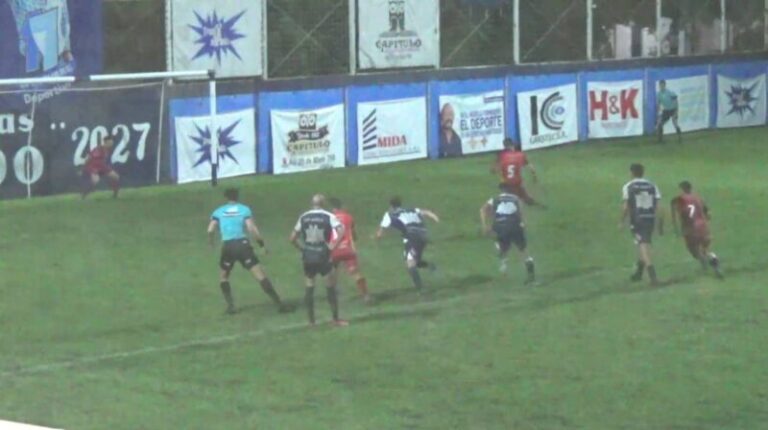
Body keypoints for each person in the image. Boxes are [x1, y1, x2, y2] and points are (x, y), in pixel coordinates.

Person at [207, 188, 292, 315]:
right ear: (237, 196)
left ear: (226, 197)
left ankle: (230, 307)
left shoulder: (219, 211)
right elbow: (252, 229)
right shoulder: (244, 209)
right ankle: (279, 304)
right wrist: (261, 245)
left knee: (224, 277)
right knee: (260, 275)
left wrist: (211, 243)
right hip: (242, 245)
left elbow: (210, 229)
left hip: (228, 246)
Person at [290, 194, 348, 327]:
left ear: (312, 203)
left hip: (308, 254)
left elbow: (292, 238)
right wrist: (333, 245)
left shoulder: (304, 217)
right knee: (330, 286)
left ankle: (311, 321)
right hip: (323, 253)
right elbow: (341, 231)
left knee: (309, 287)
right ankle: (335, 319)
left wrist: (303, 250)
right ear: (323, 203)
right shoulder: (328, 216)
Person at [375, 197, 440, 292]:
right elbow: (426, 212)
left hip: (413, 237)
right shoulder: (410, 209)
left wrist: (376, 238)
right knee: (414, 261)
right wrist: (435, 218)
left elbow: (380, 232)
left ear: (391, 206)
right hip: (423, 235)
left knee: (410, 263)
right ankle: (430, 266)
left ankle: (420, 288)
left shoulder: (389, 214)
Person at [480, 183, 536, 284]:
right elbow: (521, 213)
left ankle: (503, 262)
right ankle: (531, 276)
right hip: (515, 225)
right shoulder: (516, 198)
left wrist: (485, 225)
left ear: (501, 190)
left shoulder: (495, 199)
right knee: (523, 251)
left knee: (500, 242)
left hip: (501, 226)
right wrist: (523, 224)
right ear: (511, 190)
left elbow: (483, 210)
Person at [620, 163, 662, 286]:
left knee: (643, 246)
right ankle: (639, 272)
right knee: (644, 243)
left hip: (638, 220)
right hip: (650, 218)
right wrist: (660, 222)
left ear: (632, 172)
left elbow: (626, 206)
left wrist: (621, 221)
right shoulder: (652, 185)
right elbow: (659, 206)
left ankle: (652, 276)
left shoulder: (629, 186)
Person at [670, 181, 723, 278]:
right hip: (703, 226)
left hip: (691, 227)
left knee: (694, 251)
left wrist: (678, 229)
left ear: (682, 189)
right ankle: (713, 261)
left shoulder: (680, 200)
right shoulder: (698, 198)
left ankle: (705, 264)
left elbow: (681, 213)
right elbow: (708, 214)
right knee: (705, 250)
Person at [328, 197, 372, 304]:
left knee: (331, 274)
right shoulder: (348, 217)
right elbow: (353, 235)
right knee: (355, 272)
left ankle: (332, 299)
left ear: (333, 209)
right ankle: (366, 296)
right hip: (348, 249)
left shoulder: (329, 218)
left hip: (334, 250)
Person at [493, 138, 543, 207]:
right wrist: (534, 176)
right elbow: (531, 167)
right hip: (517, 183)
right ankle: (539, 207)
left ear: (504, 146)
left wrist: (501, 173)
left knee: (511, 200)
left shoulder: (502, 155)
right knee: (524, 198)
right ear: (512, 145)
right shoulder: (520, 155)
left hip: (506, 183)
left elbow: (494, 169)